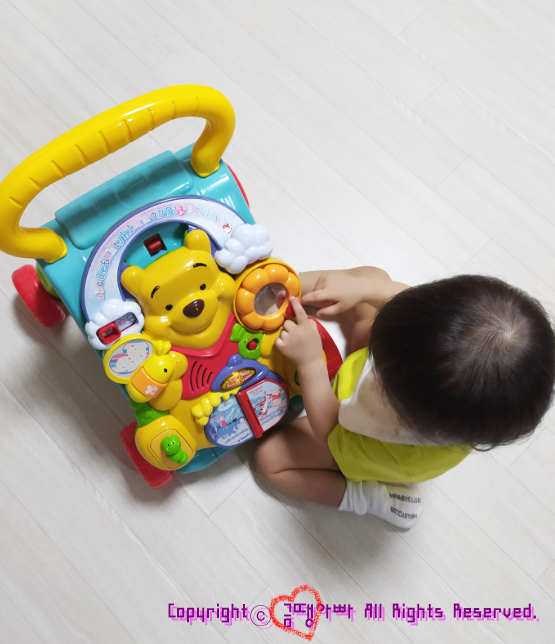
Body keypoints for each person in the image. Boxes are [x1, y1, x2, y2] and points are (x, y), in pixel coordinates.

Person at [254, 268, 555, 529]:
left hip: (346, 433)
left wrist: (310, 363)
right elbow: (399, 295)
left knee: (271, 459)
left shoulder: (392, 442)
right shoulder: (434, 339)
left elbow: (329, 430)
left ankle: (368, 498)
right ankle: (282, 286)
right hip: (392, 377)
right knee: (372, 278)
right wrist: (362, 288)